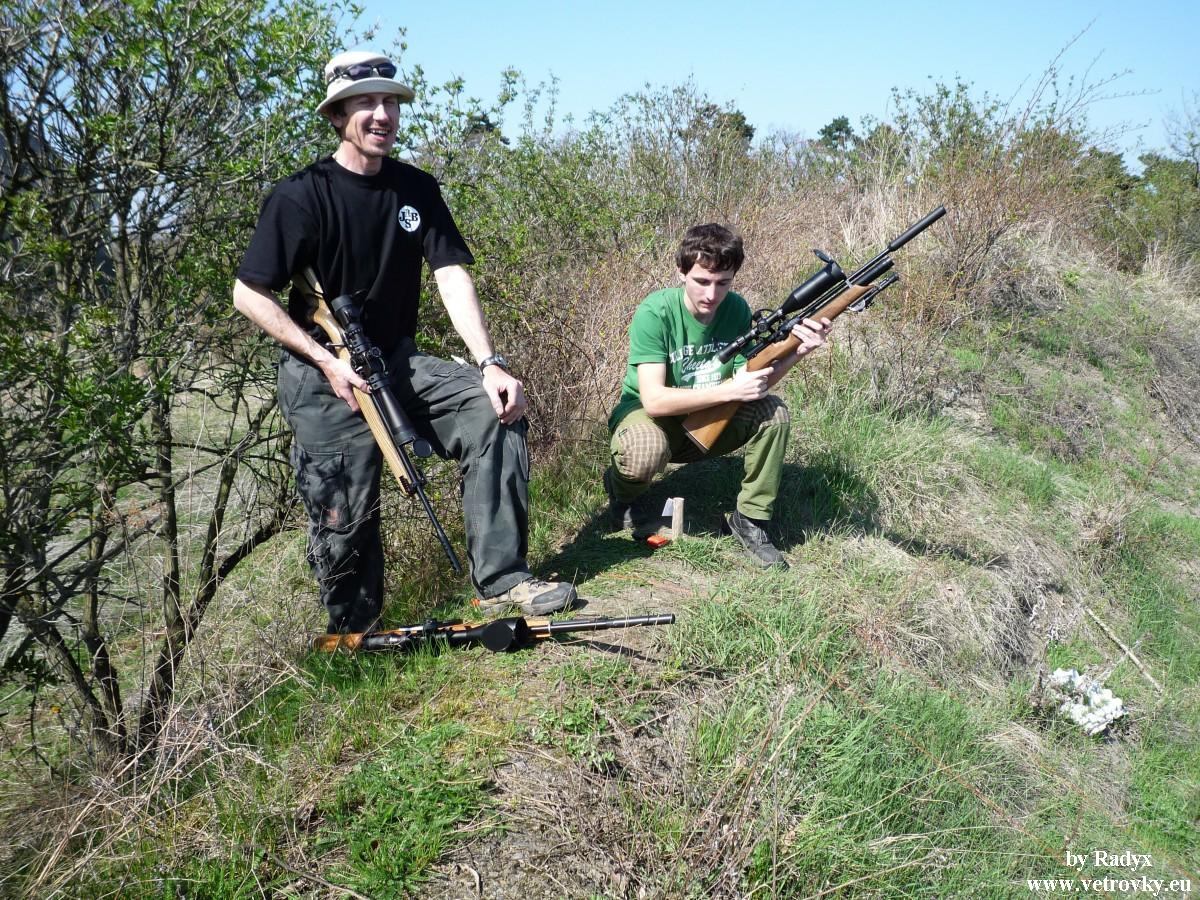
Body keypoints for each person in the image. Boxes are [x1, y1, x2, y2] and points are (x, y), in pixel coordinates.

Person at [233, 50, 575, 633]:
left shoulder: (416, 188)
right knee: (345, 514)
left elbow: (450, 273)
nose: (382, 114)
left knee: (492, 408)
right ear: (336, 115)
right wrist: (324, 360)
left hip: (396, 363)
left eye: (390, 102)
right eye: (365, 102)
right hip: (324, 380)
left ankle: (502, 581)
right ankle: (357, 642)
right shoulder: (300, 196)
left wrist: (490, 363)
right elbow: (249, 293)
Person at [604, 223, 832, 569]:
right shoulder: (655, 312)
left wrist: (798, 351)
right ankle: (623, 495)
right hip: (652, 418)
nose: (711, 294)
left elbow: (753, 380)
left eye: (723, 283)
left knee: (773, 413)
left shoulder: (736, 309)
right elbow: (654, 400)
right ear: (681, 272)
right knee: (645, 451)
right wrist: (729, 390)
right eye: (702, 281)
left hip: (712, 417)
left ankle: (750, 519)